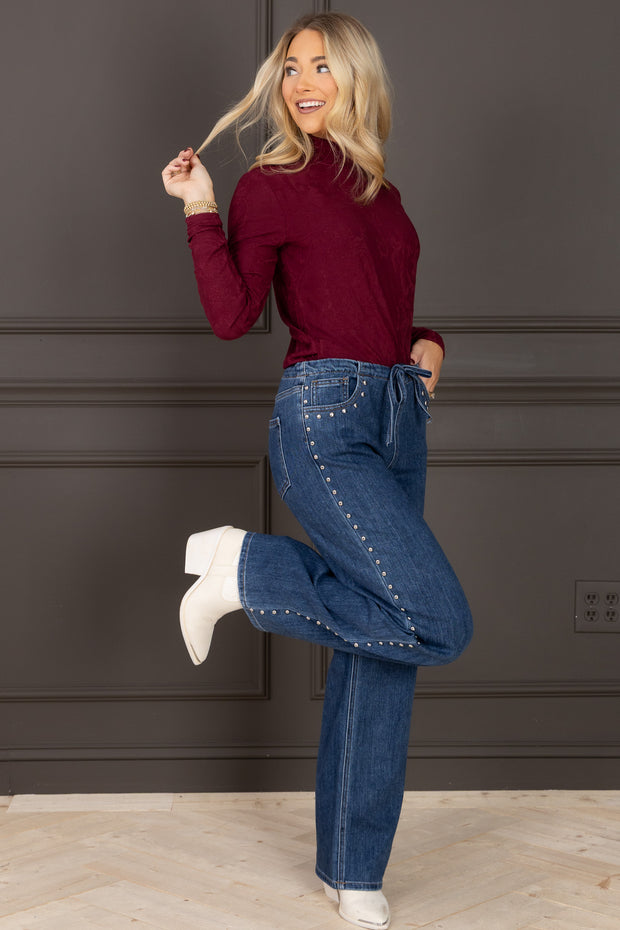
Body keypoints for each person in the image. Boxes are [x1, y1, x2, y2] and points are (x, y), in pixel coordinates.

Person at [162, 12, 472, 929]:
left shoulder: (386, 194)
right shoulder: (271, 185)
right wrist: (200, 206)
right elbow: (233, 316)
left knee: (384, 645)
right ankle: (246, 570)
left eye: (322, 66)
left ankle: (353, 867)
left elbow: (383, 310)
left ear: (357, 79)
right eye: (291, 67)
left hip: (398, 417)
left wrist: (428, 343)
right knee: (436, 618)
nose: (302, 82)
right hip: (325, 420)